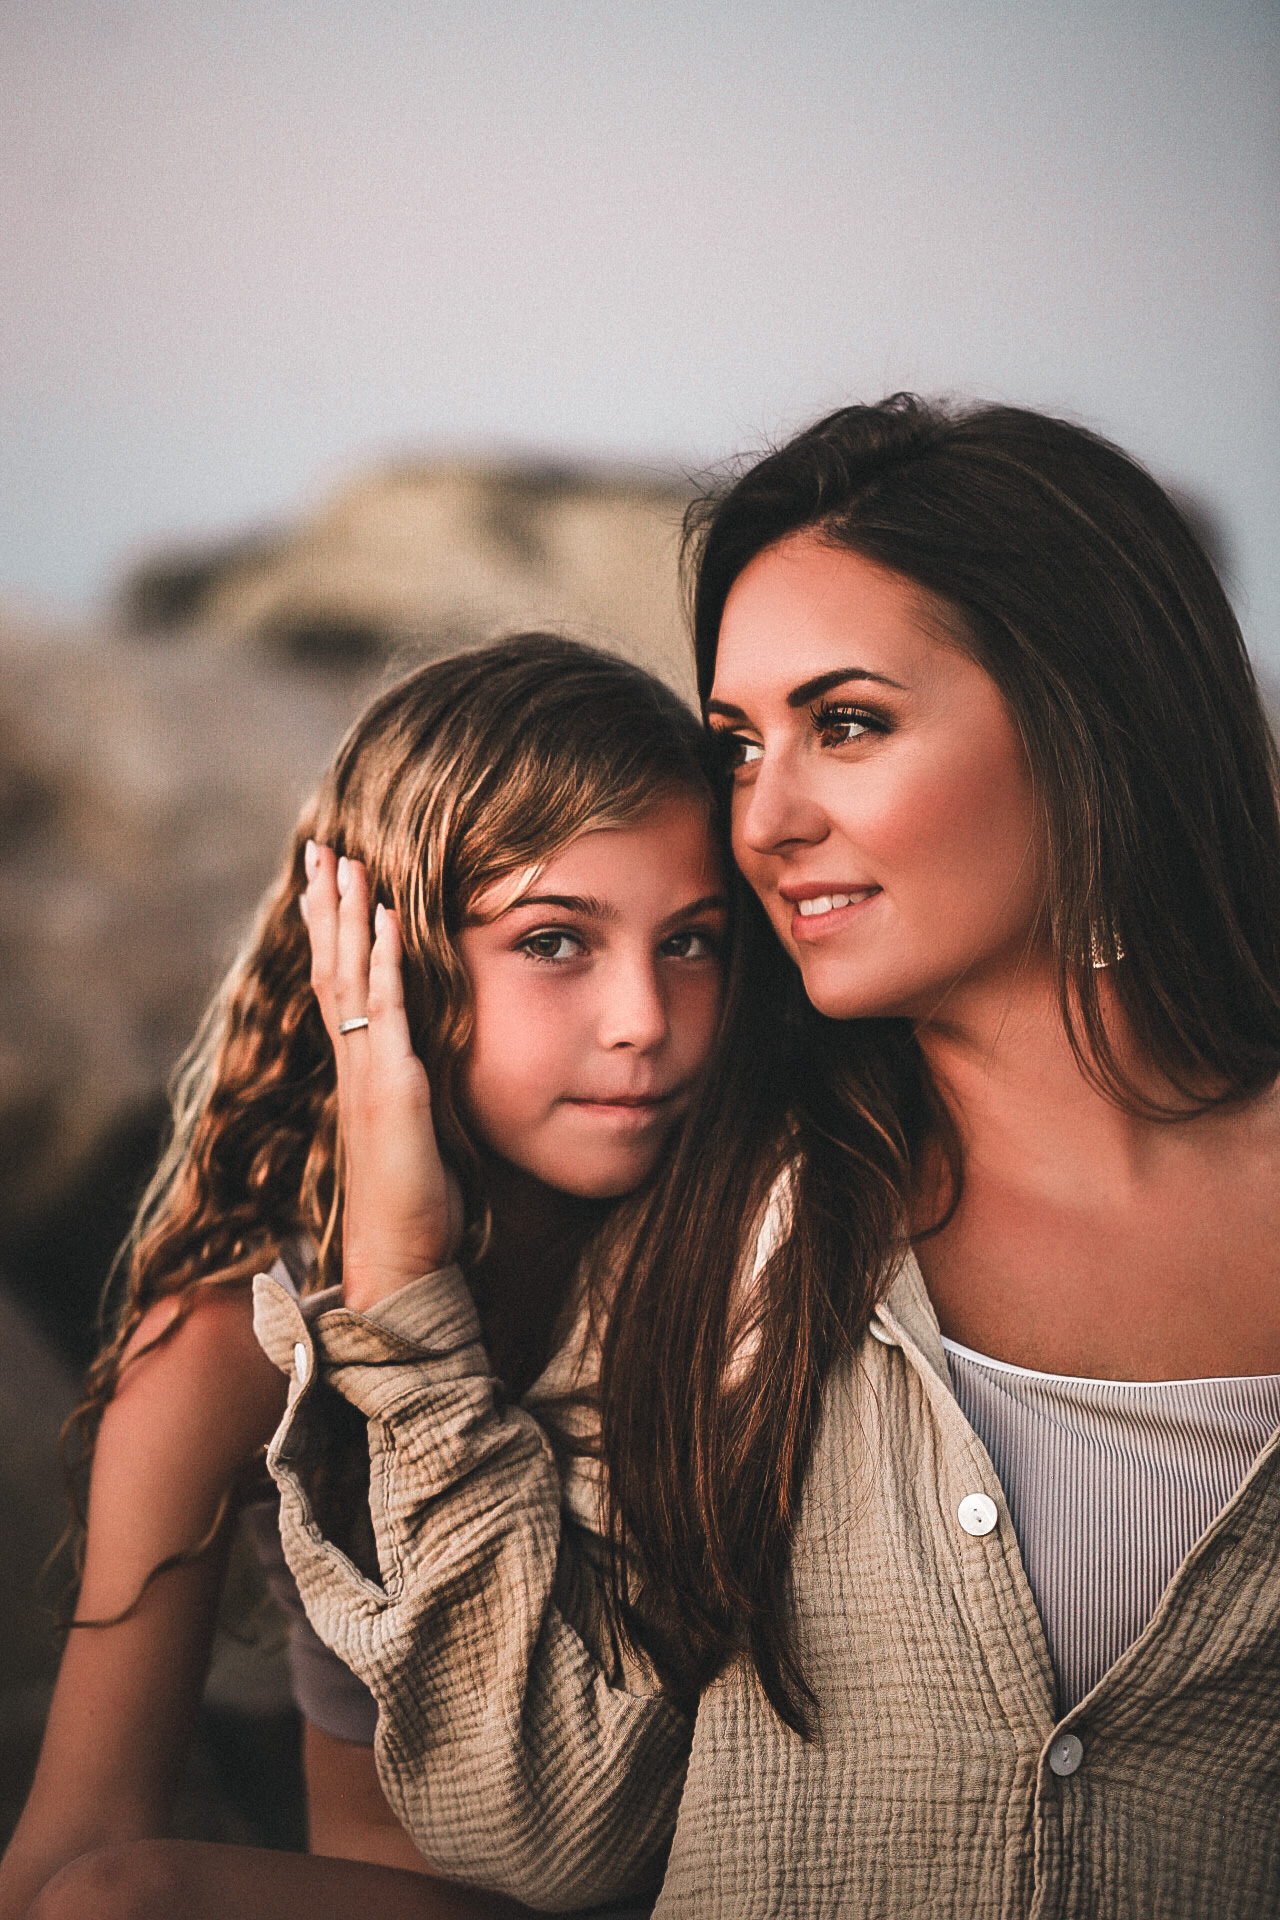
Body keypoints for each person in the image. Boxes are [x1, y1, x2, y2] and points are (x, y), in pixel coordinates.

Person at [30, 397, 1280, 1920]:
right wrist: (407, 1300)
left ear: (1095, 717)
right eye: (741, 744)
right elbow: (533, 1835)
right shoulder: (732, 1221)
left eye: (849, 722)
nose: (766, 819)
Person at [6, 632, 726, 1920]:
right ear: (387, 959)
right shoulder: (235, 1335)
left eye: (693, 942)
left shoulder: (754, 1259)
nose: (644, 1019)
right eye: (556, 941)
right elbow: (79, 1830)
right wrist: (392, 1274)